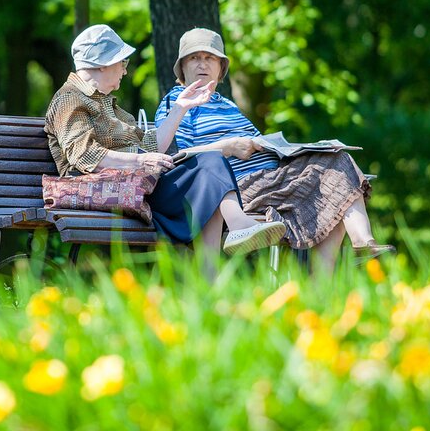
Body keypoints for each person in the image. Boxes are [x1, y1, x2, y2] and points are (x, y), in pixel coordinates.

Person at [154, 27, 395, 272]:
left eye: (210, 58)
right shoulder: (176, 102)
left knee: (336, 161)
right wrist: (227, 147)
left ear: (221, 68)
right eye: (195, 58)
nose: (202, 64)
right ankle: (320, 286)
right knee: (328, 191)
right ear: (182, 67)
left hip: (271, 176)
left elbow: (259, 143)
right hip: (235, 187)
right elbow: (181, 159)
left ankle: (362, 245)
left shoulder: (226, 105)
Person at [44, 24, 285, 258]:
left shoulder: (108, 104)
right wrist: (141, 161)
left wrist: (181, 107)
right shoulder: (69, 99)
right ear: (102, 64)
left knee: (211, 165)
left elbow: (152, 145)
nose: (125, 70)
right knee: (208, 169)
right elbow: (85, 156)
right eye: (122, 62)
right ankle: (237, 227)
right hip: (109, 190)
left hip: (140, 187)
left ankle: (215, 273)